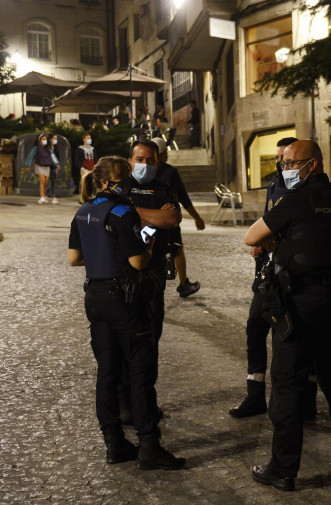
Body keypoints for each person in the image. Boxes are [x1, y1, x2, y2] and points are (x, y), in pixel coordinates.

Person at [244, 140, 331, 491]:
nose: (285, 169)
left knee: (286, 385)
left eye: (289, 163)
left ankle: (282, 469)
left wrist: (271, 241)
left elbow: (251, 236)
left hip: (298, 302)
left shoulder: (296, 199)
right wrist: (282, 241)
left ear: (311, 165)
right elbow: (316, 239)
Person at [68, 156, 185, 470]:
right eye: (123, 180)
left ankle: (114, 443)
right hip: (125, 300)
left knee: (107, 371)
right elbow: (138, 262)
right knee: (139, 372)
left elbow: (74, 259)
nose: (127, 186)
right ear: (107, 182)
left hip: (95, 296)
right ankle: (149, 446)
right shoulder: (123, 212)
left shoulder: (82, 212)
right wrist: (146, 239)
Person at [229, 136, 318, 420]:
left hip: (292, 276)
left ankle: (306, 402)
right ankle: (255, 393)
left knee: (299, 338)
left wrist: (274, 239)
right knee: (255, 328)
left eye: (287, 160)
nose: (282, 164)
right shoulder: (274, 184)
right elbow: (268, 221)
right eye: (280, 159)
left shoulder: (304, 190)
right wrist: (262, 242)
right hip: (267, 273)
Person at [117, 140, 181, 424]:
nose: (144, 164)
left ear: (158, 162)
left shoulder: (165, 190)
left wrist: (132, 212)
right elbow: (159, 218)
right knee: (124, 341)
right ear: (130, 161)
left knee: (151, 339)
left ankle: (145, 402)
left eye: (150, 160)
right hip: (123, 273)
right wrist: (154, 216)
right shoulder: (121, 188)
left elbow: (171, 219)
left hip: (153, 274)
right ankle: (125, 403)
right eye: (139, 159)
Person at [151, 137, 204, 297]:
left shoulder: (142, 171)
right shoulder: (170, 172)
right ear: (162, 154)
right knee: (177, 248)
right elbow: (183, 196)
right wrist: (197, 217)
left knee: (149, 248)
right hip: (168, 219)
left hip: (147, 218)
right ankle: (183, 284)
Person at [25, 133, 60, 205]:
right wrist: (28, 165)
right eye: (43, 139)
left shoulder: (48, 149)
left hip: (47, 166)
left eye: (45, 139)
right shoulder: (36, 148)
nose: (45, 141)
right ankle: (41, 197)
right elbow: (30, 156)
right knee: (42, 181)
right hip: (39, 166)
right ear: (39, 140)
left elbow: (52, 156)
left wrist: (56, 163)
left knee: (46, 182)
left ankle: (44, 196)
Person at [45, 134, 61, 204]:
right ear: (50, 139)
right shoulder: (47, 148)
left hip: (55, 167)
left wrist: (57, 164)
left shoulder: (56, 147)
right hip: (49, 166)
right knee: (52, 182)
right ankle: (53, 197)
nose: (56, 140)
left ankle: (45, 194)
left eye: (56, 138)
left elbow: (57, 156)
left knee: (53, 182)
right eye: (54, 138)